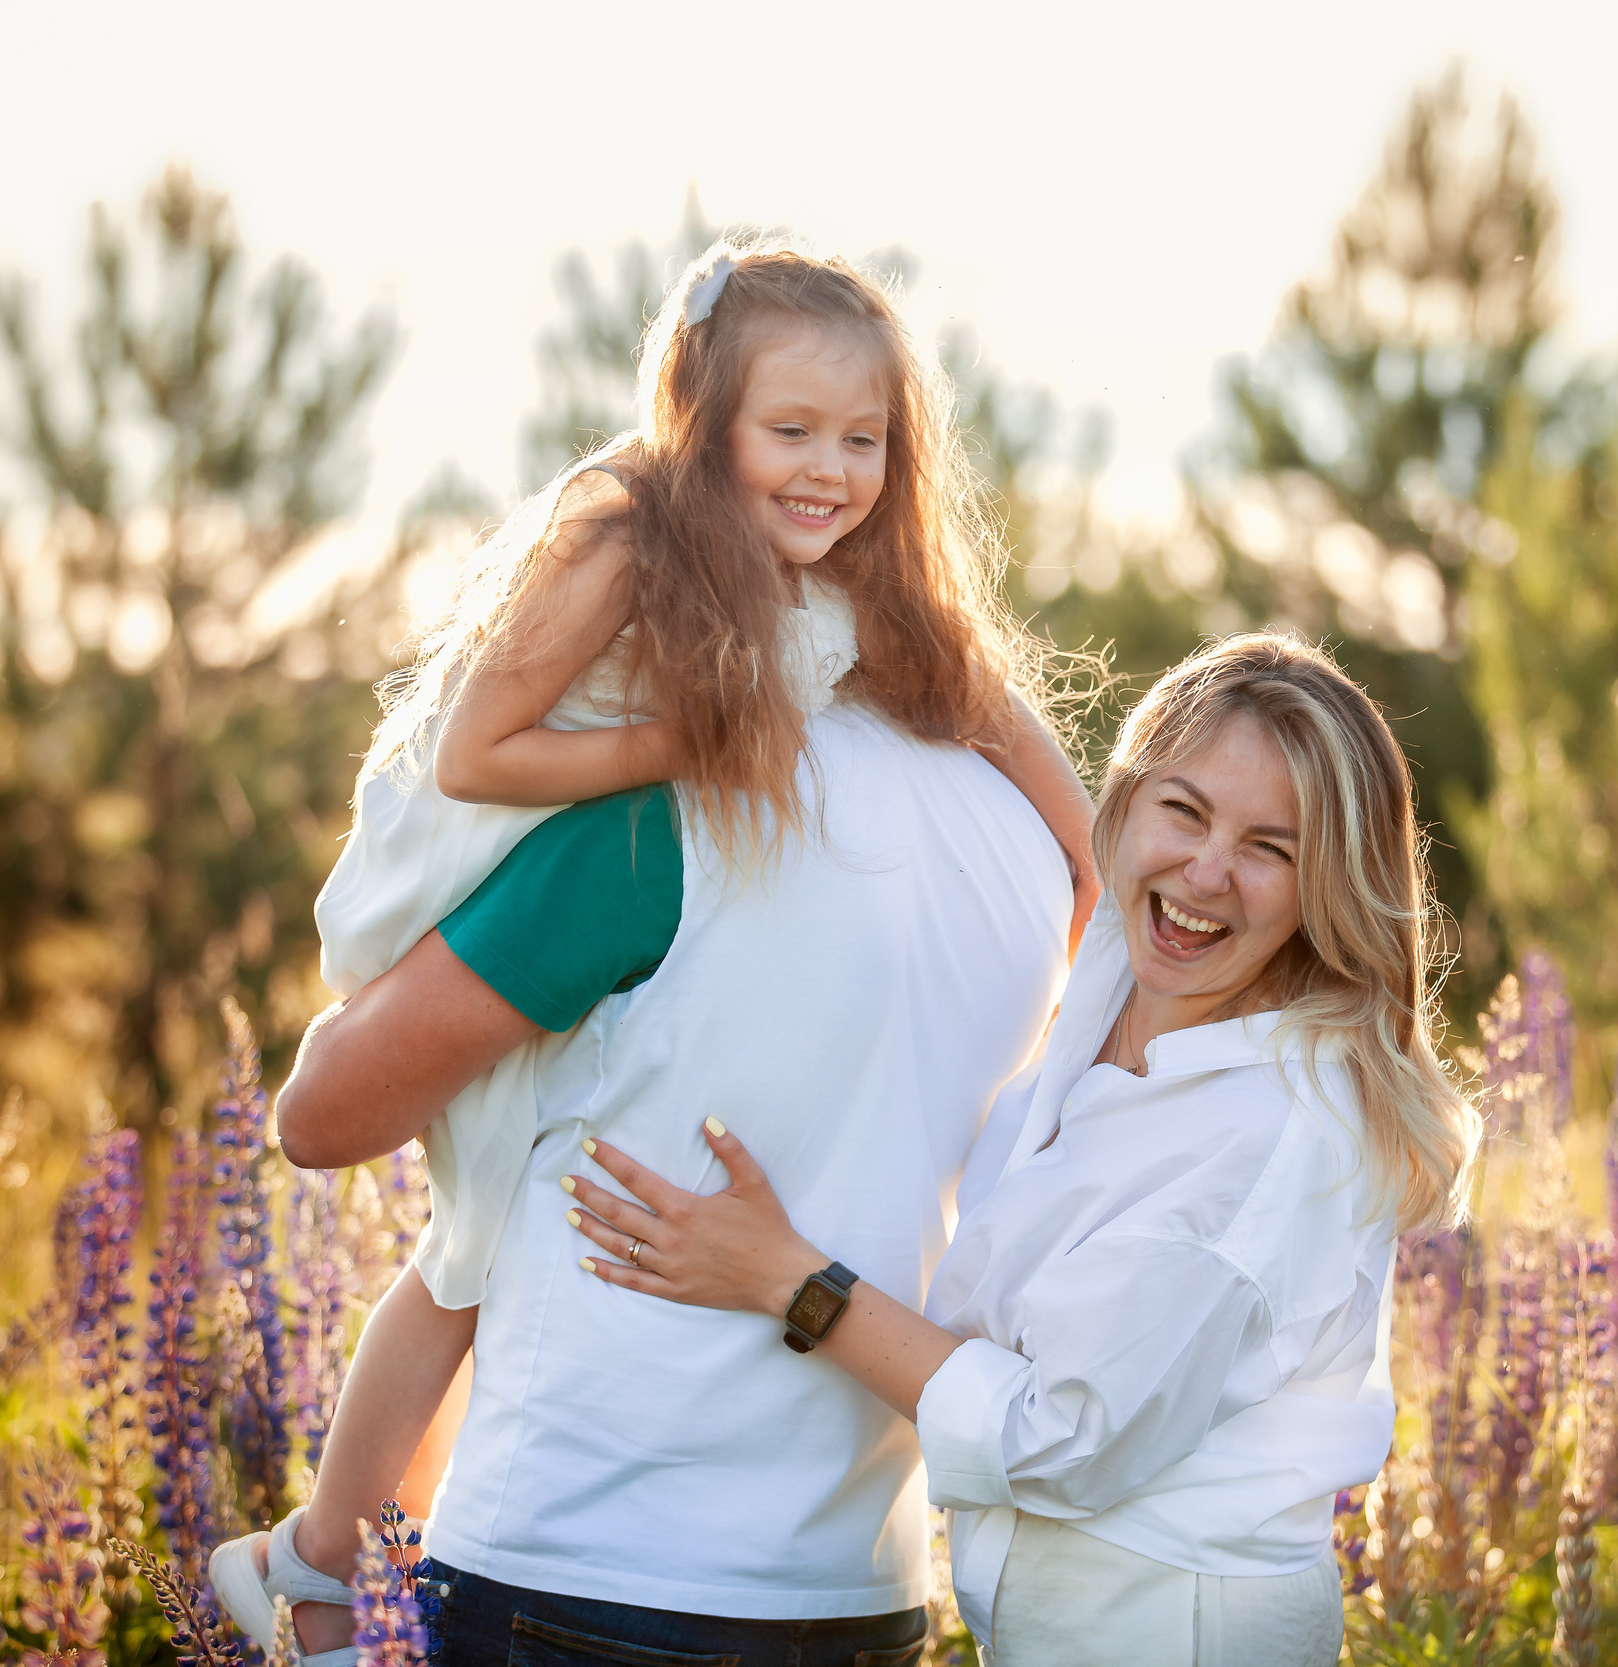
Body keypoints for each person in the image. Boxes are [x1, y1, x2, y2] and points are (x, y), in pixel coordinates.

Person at [213, 239, 1097, 1665]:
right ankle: (332, 1550)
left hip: (589, 1574)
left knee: (470, 1245)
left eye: (863, 439)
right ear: (705, 424)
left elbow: (322, 1119)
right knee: (467, 1246)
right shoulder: (634, 549)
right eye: (791, 430)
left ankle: (320, 1561)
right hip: (869, 1582)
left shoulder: (811, 676)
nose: (830, 468)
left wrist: (1094, 856)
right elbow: (480, 753)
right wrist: (689, 746)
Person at [566, 633, 1482, 1667]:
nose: (1208, 873)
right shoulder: (1114, 983)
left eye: (1271, 848)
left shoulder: (1273, 1132)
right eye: (1183, 810)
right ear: (1124, 803)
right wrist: (854, 624)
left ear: (1328, 885)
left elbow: (1064, 1440)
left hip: (1176, 1630)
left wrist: (788, 1279)